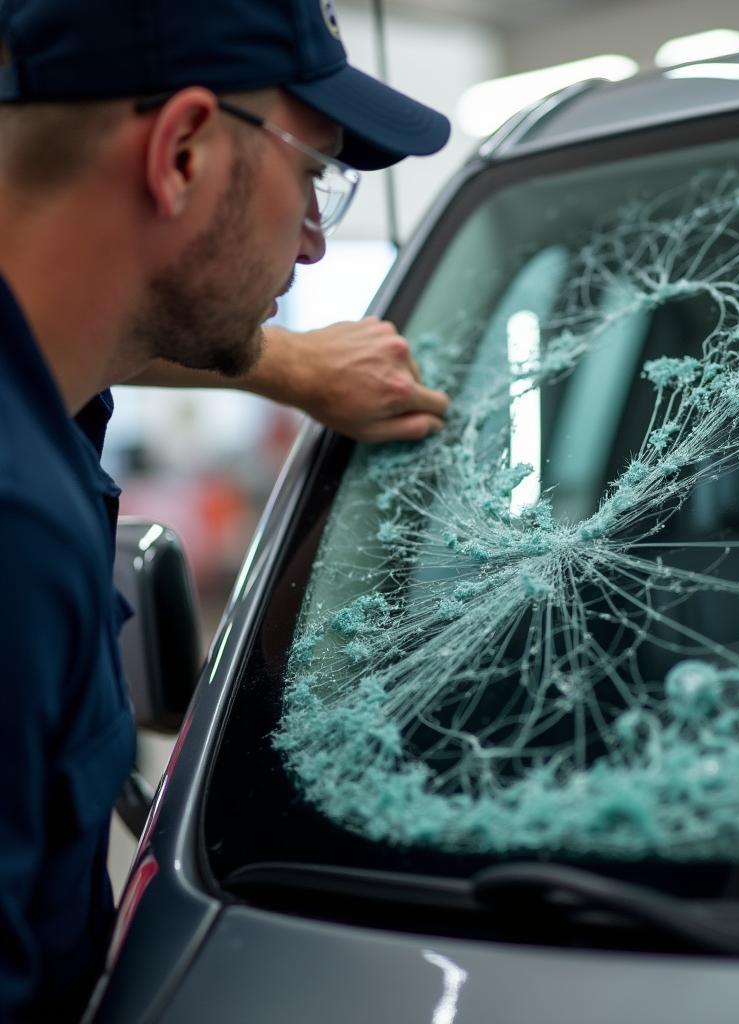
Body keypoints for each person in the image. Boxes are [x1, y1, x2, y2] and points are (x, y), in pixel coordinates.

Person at [0, 0, 451, 1018]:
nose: (311, 248)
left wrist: (282, 363)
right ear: (185, 154)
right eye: (313, 178)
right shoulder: (13, 529)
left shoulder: (54, 391)